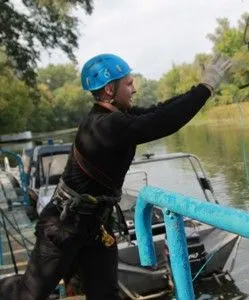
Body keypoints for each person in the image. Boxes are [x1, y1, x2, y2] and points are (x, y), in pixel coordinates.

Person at [0, 53, 232, 300]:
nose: (134, 89)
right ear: (110, 89)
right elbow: (162, 122)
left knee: (105, 294)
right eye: (129, 84)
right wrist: (206, 88)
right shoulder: (104, 125)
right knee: (30, 294)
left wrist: (199, 89)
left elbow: (159, 111)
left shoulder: (119, 116)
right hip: (64, 225)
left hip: (97, 224)